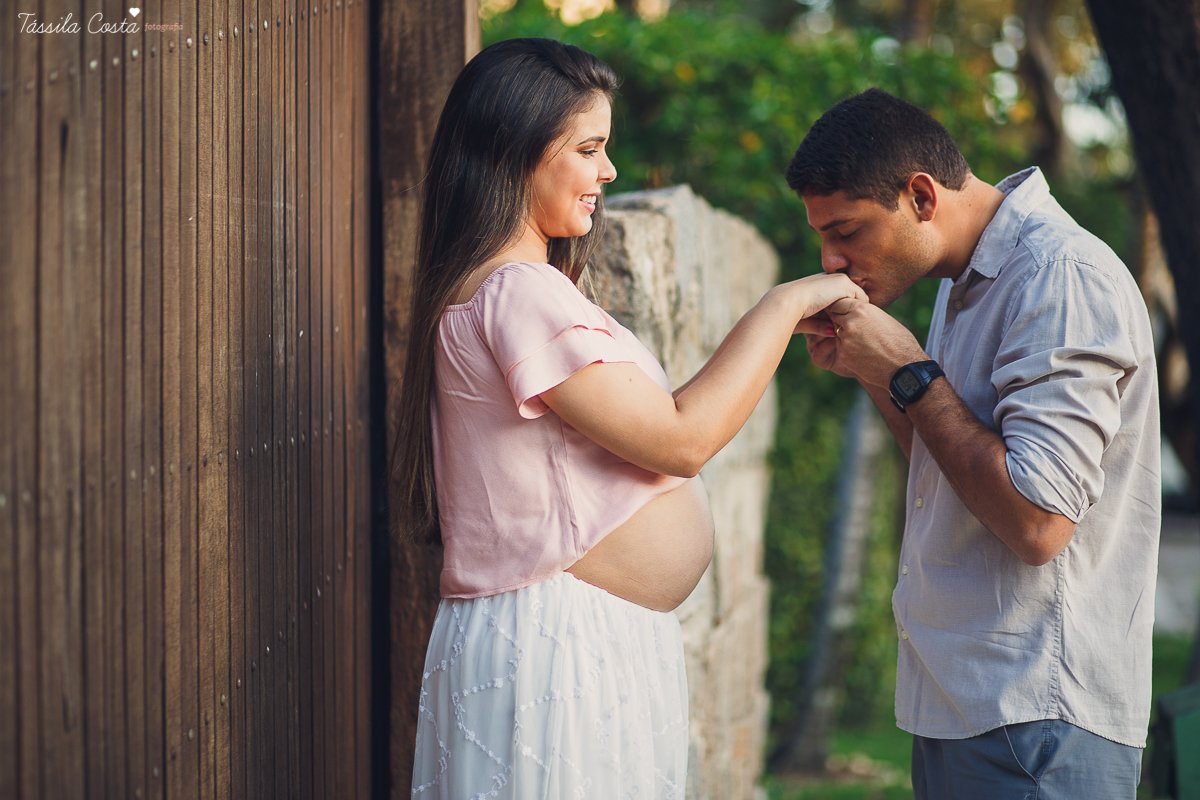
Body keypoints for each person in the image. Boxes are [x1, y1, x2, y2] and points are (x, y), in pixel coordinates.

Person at [393, 38, 864, 799]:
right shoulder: (520, 293)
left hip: (570, 641)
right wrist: (787, 303)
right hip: (557, 651)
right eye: (589, 148)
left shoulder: (505, 288)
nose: (608, 172)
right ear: (515, 151)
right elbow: (681, 441)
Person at [790, 87, 1160, 798]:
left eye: (848, 230)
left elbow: (1036, 520)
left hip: (1037, 720)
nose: (832, 260)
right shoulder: (965, 281)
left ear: (921, 197)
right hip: (971, 707)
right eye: (823, 238)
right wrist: (878, 376)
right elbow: (955, 473)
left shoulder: (1059, 276)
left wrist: (906, 368)